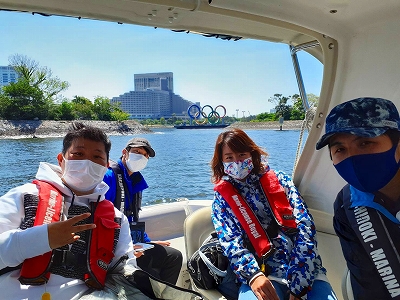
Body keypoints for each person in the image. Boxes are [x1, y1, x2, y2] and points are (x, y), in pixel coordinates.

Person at [0, 122, 142, 299]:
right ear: (61, 160)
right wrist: (41, 239)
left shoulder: (116, 218)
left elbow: (124, 272)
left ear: (106, 166)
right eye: (78, 154)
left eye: (97, 157)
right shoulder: (24, 196)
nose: (87, 163)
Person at [211, 128, 337, 300]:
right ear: (222, 162)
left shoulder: (280, 181)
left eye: (241, 155)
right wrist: (253, 275)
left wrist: (299, 284)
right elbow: (230, 241)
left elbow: (305, 227)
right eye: (229, 158)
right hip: (261, 272)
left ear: (251, 154)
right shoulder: (222, 198)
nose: (237, 162)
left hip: (305, 268)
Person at [316, 97, 400, 299]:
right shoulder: (346, 205)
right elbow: (366, 282)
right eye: (340, 150)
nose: (352, 158)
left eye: (365, 142)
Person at [103, 137, 183, 285]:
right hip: (113, 250)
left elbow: (132, 218)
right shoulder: (109, 176)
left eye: (145, 155)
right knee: (150, 275)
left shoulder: (136, 181)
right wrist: (125, 249)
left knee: (174, 256)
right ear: (124, 153)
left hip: (133, 243)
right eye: (137, 152)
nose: (141, 157)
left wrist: (146, 242)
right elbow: (100, 220)